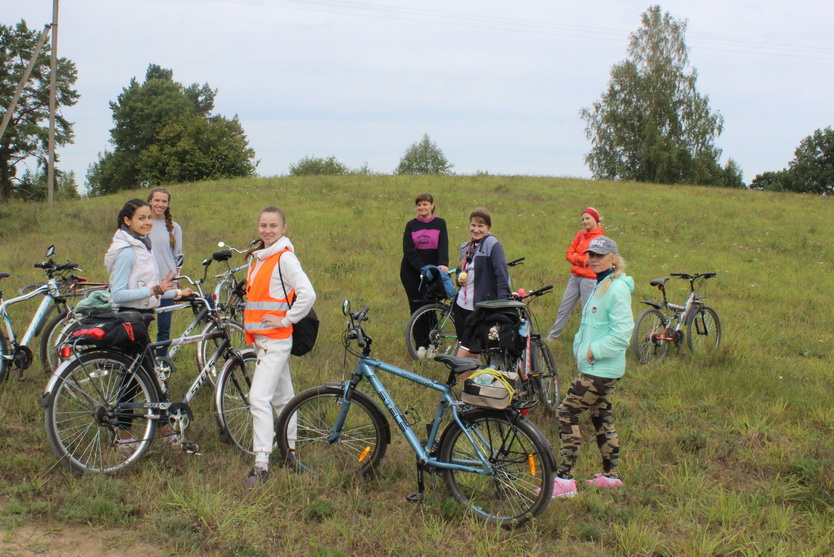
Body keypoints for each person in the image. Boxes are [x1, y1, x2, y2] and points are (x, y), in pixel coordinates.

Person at [104, 198, 194, 447]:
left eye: (148, 218)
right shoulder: (127, 252)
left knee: (137, 378)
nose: (147, 223)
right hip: (129, 319)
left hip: (141, 319)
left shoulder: (142, 246)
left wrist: (176, 293)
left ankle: (158, 430)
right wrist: (155, 288)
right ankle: (139, 434)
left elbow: (148, 289)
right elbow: (118, 295)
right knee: (141, 379)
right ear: (127, 221)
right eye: (141, 218)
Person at [549, 236, 634, 498]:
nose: (594, 259)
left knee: (566, 413)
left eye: (600, 255)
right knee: (601, 417)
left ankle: (564, 481)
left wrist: (593, 350)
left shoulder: (616, 289)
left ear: (614, 258)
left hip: (599, 369)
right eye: (591, 255)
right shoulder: (601, 284)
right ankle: (609, 477)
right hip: (599, 368)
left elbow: (623, 333)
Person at [243, 206, 316, 488]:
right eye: (263, 225)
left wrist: (286, 318)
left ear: (284, 228)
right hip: (263, 340)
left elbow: (308, 293)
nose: (267, 230)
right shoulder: (261, 257)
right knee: (284, 398)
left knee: (258, 398)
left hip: (275, 340)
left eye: (273, 226)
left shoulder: (284, 258)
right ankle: (291, 449)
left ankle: (261, 463)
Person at [453, 208, 510, 360]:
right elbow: (459, 271)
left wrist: (501, 307)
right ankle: (471, 382)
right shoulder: (466, 247)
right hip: (461, 307)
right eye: (473, 225)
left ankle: (465, 383)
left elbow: (501, 276)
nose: (476, 229)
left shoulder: (492, 245)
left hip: (478, 309)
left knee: (462, 355)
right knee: (472, 351)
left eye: (480, 226)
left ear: (488, 228)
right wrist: (459, 279)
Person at [400, 193, 449, 358]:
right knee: (416, 308)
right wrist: (423, 268)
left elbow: (443, 246)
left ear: (432, 205)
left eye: (425, 204)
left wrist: (442, 264)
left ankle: (433, 344)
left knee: (430, 306)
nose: (422, 208)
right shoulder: (411, 225)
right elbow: (409, 251)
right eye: (419, 205)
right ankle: (420, 344)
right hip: (412, 272)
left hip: (433, 272)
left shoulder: (440, 223)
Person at [547, 208, 606, 340]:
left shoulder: (600, 239)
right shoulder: (580, 234)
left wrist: (577, 258)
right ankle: (552, 337)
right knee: (564, 307)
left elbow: (588, 261)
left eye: (588, 218)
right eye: (583, 219)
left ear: (596, 220)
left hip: (589, 280)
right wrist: (579, 259)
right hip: (575, 277)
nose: (584, 221)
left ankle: (587, 341)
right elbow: (568, 253)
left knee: (588, 312)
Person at [147, 187, 184, 357]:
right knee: (141, 328)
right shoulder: (143, 225)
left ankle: (161, 364)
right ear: (150, 201)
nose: (160, 204)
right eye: (157, 200)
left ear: (168, 204)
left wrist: (176, 281)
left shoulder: (174, 228)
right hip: (146, 284)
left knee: (164, 330)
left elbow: (178, 257)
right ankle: (142, 366)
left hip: (167, 284)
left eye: (164, 201)